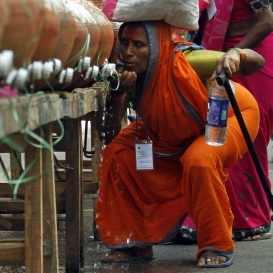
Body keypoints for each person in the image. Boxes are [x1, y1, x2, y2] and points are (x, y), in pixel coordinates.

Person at [96, 21, 264, 267]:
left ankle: (215, 243)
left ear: (155, 46)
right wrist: (120, 94)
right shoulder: (123, 73)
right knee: (118, 152)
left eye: (138, 45)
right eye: (125, 43)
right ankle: (135, 242)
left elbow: (257, 61)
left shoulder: (189, 60)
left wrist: (234, 54)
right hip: (172, 130)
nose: (129, 51)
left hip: (229, 115)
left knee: (199, 159)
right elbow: (108, 135)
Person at [182, 0, 273, 243]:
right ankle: (214, 217)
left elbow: (266, 22)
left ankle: (252, 220)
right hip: (217, 60)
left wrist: (235, 52)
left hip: (252, 59)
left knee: (247, 140)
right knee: (215, 136)